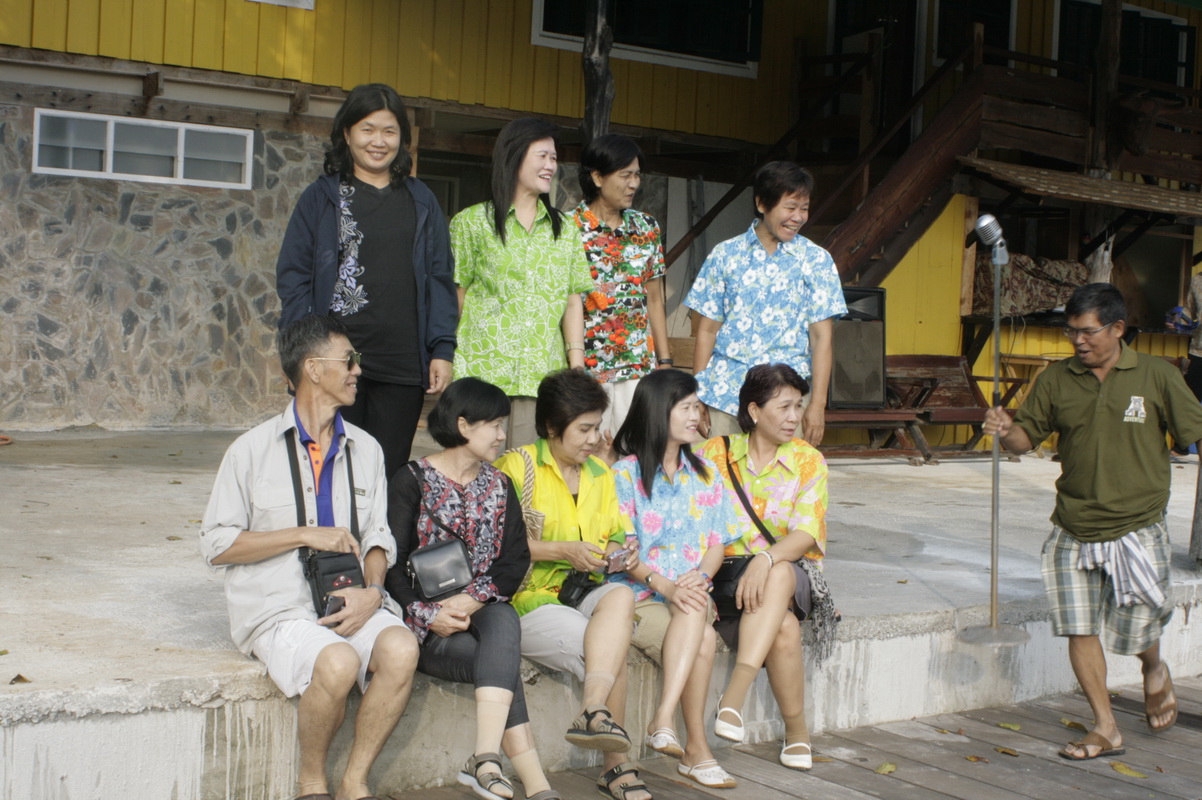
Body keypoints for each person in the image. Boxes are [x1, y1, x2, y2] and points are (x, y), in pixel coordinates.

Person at [200, 314, 419, 800]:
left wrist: (374, 592)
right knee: (338, 662)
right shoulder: (250, 451)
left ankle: (355, 781)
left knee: (402, 649)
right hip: (279, 606)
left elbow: (378, 537)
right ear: (313, 369)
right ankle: (312, 782)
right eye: (349, 360)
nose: (358, 370)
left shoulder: (367, 449)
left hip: (351, 600)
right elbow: (217, 545)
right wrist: (302, 535)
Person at [983, 283, 1202, 761]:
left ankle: (1154, 668)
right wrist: (1006, 431)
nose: (1078, 341)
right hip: (1073, 525)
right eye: (1071, 332)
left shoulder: (1158, 375)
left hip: (1138, 525)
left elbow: (1194, 433)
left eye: (1087, 331)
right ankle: (1106, 727)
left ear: (1117, 328)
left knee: (1138, 630)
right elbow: (1025, 440)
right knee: (1079, 628)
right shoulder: (1056, 378)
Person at [385, 377, 560, 800]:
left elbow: (514, 560)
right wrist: (430, 614)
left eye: (503, 425)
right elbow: (390, 563)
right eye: (494, 425)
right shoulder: (412, 479)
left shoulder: (499, 484)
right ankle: (533, 783)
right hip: (428, 626)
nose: (502, 435)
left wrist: (471, 599)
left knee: (503, 619)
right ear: (463, 425)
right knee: (501, 661)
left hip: (481, 608)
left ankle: (485, 759)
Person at [276, 83, 457, 481]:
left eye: (389, 131)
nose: (379, 141)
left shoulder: (421, 200)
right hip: (336, 359)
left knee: (385, 473)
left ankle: (380, 527)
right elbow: (294, 277)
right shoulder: (322, 198)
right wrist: (298, 350)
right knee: (327, 467)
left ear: (402, 139)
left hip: (401, 361)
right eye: (368, 129)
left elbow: (439, 277)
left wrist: (442, 348)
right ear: (347, 133)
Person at [493, 369, 650, 800]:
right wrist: (563, 550)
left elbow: (615, 533)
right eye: (584, 429)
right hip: (528, 599)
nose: (594, 439)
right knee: (608, 648)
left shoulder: (600, 473)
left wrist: (619, 552)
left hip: (582, 591)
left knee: (621, 593)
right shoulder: (516, 467)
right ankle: (616, 766)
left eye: (597, 427)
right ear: (551, 426)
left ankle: (593, 709)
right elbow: (496, 547)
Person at [696, 364, 835, 771]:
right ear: (754, 411)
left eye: (798, 406)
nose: (794, 417)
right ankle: (797, 732)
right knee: (785, 628)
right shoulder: (714, 454)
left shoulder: (809, 461)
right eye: (784, 407)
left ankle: (734, 696)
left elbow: (806, 534)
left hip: (790, 575)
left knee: (778, 572)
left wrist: (766, 557)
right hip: (727, 578)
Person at [607, 369, 741, 790]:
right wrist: (667, 586)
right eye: (686, 407)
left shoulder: (707, 473)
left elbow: (717, 543)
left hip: (691, 593)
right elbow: (622, 551)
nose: (695, 415)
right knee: (703, 638)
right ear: (657, 411)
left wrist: (700, 576)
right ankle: (694, 747)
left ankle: (666, 721)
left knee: (694, 604)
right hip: (639, 595)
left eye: (696, 406)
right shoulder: (623, 475)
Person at [451, 117, 593, 449]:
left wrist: (576, 366)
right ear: (514, 157)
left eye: (554, 158)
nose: (550, 166)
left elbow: (572, 301)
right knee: (476, 468)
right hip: (481, 374)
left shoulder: (566, 230)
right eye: (542, 156)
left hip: (541, 377)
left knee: (527, 471)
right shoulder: (472, 223)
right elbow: (457, 296)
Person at [685, 161, 846, 446]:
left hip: (787, 403)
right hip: (725, 397)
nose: (798, 217)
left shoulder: (816, 260)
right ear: (761, 203)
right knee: (720, 472)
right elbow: (707, 331)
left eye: (804, 208)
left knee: (783, 474)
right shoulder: (725, 255)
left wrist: (817, 404)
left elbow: (822, 338)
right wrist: (698, 397)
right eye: (791, 207)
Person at [572, 134, 673, 442]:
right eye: (625, 175)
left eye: (637, 175)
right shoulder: (569, 228)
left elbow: (654, 298)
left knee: (633, 450)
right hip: (588, 366)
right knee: (587, 450)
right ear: (597, 177)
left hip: (637, 365)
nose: (634, 184)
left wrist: (665, 362)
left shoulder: (646, 227)